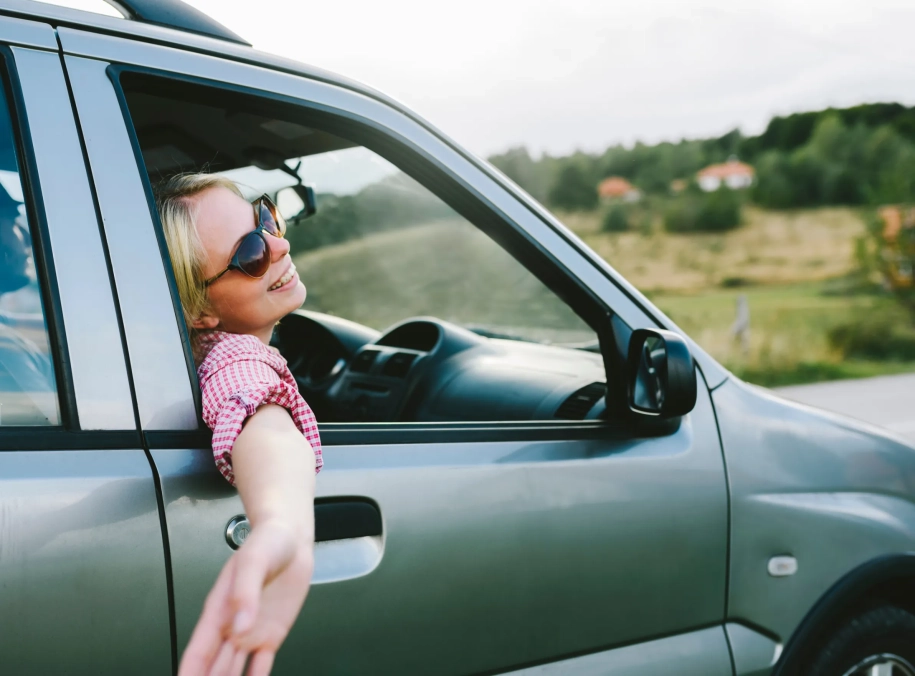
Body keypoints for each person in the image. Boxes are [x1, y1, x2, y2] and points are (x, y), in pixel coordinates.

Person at [155, 173, 323, 676]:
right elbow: (258, 416)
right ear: (198, 310)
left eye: (265, 218)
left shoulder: (187, 350)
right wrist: (279, 525)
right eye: (250, 254)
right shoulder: (234, 358)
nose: (280, 244)